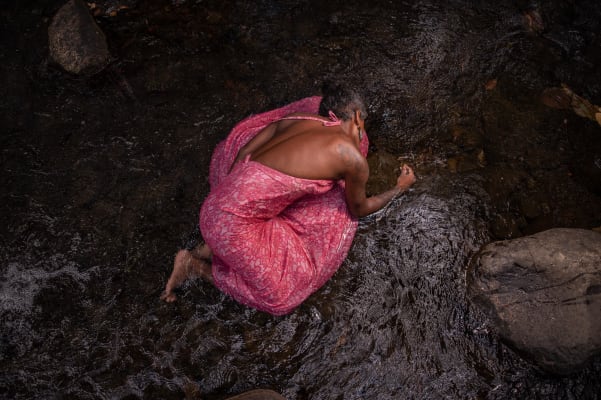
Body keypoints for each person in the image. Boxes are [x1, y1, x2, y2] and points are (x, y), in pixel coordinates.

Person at [161, 83, 416, 315]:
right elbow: (359, 208)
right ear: (358, 118)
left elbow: (245, 151)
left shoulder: (298, 120)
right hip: (231, 226)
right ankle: (193, 266)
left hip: (215, 207)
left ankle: (207, 247)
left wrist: (230, 198)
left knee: (241, 221)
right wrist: (399, 188)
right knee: (281, 300)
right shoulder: (351, 157)